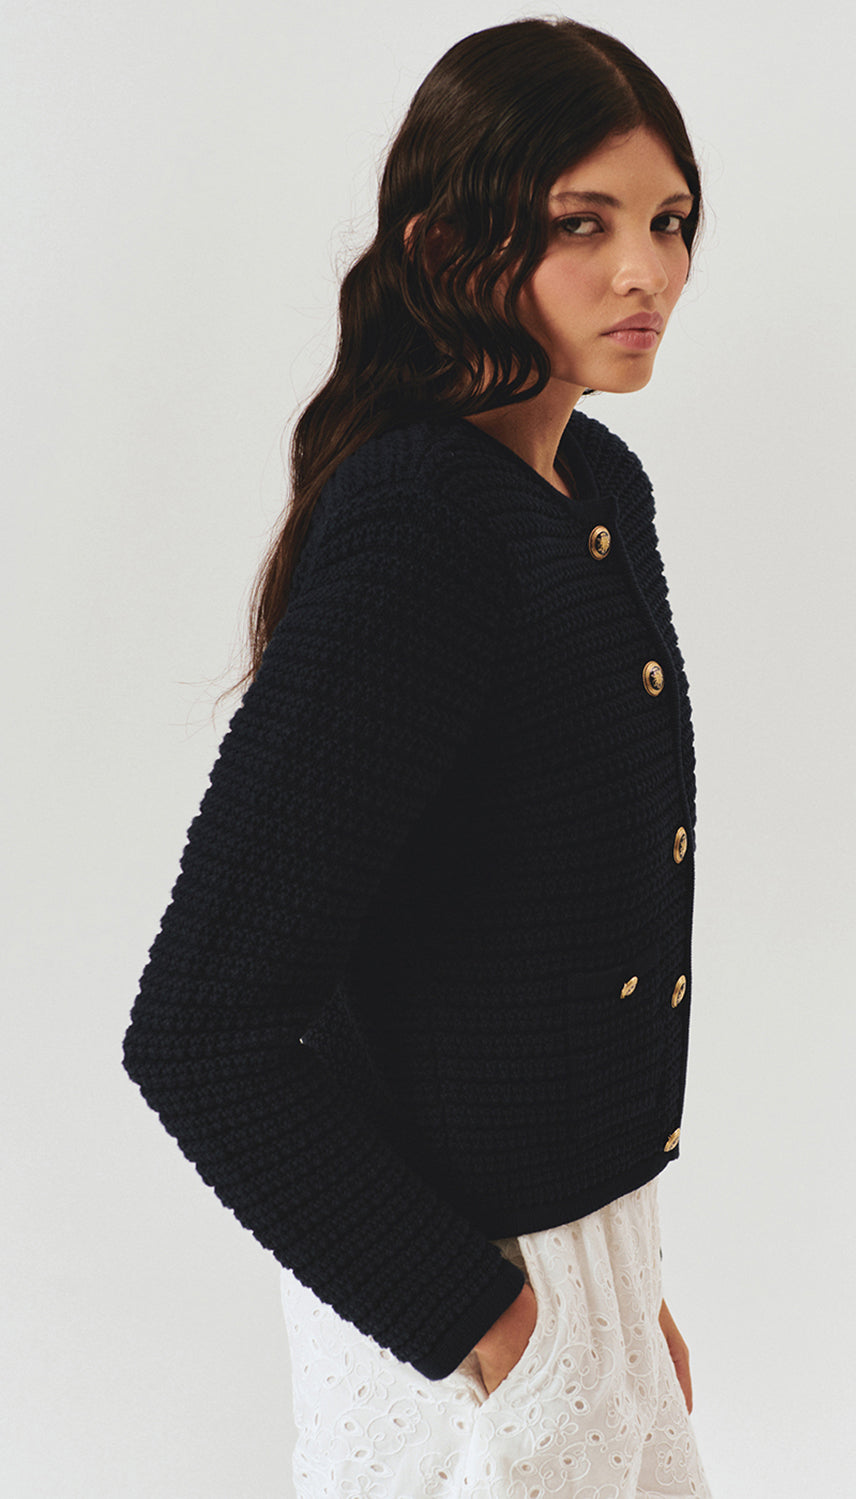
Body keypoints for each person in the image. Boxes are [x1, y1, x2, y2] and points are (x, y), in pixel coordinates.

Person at [123, 15, 714, 1498]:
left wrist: (618, 1293)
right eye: (583, 224)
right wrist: (499, 1331)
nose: (644, 273)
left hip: (579, 1266)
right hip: (450, 1313)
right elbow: (202, 1031)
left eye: (669, 222)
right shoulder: (424, 527)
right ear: (448, 247)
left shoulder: (593, 484)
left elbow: (526, 930)